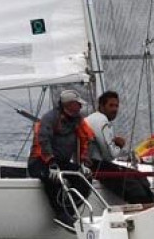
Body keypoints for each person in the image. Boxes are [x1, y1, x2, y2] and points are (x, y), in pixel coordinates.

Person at [28, 89, 95, 231]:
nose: (80, 107)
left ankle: (68, 211)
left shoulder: (78, 121)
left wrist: (83, 162)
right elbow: (43, 140)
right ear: (69, 105)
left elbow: (85, 139)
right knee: (53, 178)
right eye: (78, 104)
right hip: (40, 161)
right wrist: (50, 162)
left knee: (85, 178)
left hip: (62, 162)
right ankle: (60, 213)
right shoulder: (50, 118)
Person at [85, 91, 154, 204]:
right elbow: (109, 155)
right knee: (134, 184)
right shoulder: (102, 121)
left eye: (116, 106)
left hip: (95, 165)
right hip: (95, 166)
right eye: (111, 105)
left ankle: (152, 203)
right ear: (101, 106)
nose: (115, 109)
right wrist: (119, 145)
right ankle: (147, 206)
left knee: (138, 176)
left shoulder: (92, 119)